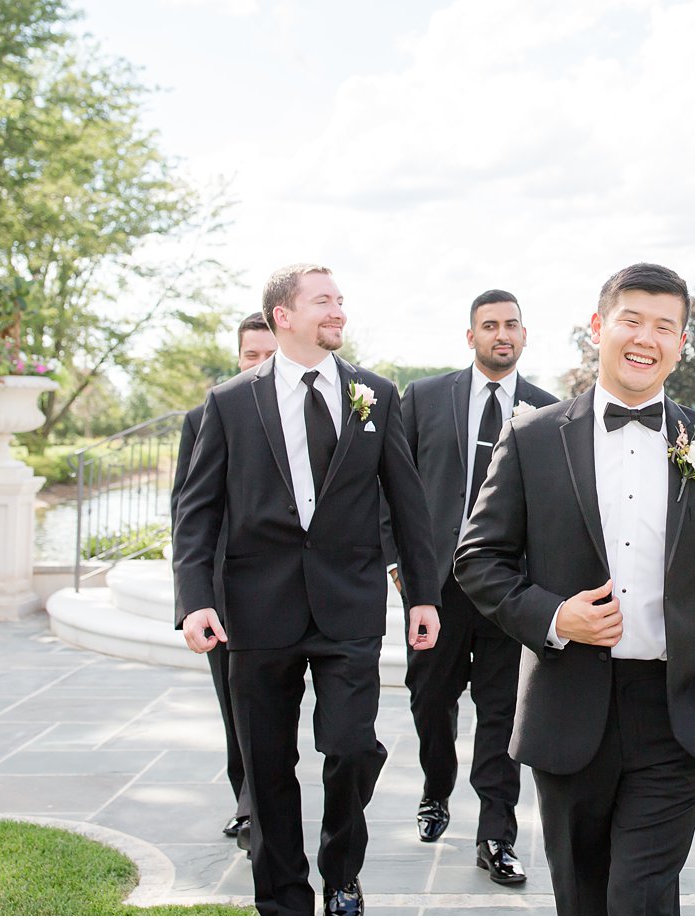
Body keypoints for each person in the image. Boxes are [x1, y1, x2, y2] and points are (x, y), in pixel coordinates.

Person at [454, 263, 695, 915]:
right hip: (569, 704)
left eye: (665, 326)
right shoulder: (534, 436)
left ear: (681, 342)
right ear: (598, 328)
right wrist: (555, 616)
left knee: (641, 895)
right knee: (583, 896)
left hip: (678, 711)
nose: (646, 338)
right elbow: (478, 558)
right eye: (631, 319)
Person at [173, 263, 442, 917]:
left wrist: (423, 595)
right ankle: (284, 896)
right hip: (256, 611)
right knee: (266, 763)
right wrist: (194, 599)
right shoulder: (230, 402)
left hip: (348, 605)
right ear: (282, 316)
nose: (339, 311)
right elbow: (197, 509)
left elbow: (407, 502)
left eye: (342, 300)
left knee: (351, 746)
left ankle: (341, 871)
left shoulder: (375, 395)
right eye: (324, 301)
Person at [399, 289, 559, 883]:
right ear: (471, 336)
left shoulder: (548, 411)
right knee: (430, 701)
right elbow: (398, 487)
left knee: (501, 714)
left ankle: (497, 835)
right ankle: (435, 786)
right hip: (435, 588)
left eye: (511, 325)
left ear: (524, 334)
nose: (502, 334)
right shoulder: (424, 397)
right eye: (489, 325)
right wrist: (402, 570)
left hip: (507, 589)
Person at [170, 311, 278, 850]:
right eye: (249, 355)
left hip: (296, 588)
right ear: (238, 357)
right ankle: (249, 802)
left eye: (268, 354)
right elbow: (187, 513)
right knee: (237, 706)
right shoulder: (207, 415)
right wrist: (193, 600)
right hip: (227, 594)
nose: (258, 364)